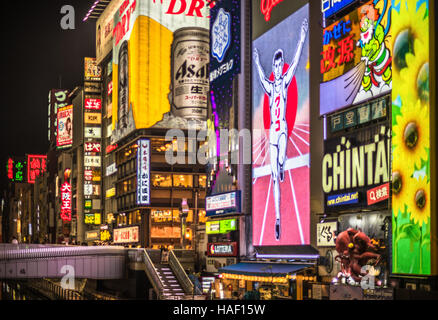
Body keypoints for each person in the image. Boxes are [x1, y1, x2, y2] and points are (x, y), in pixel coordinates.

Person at [253, 18, 308, 241]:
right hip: (272, 135)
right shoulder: (269, 85)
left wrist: (302, 38)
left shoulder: (284, 82)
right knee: (275, 176)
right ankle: (277, 218)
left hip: (282, 129)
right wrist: (257, 61)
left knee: (281, 164)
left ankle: (283, 165)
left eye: (278, 65)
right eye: (274, 66)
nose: (276, 68)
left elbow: (295, 62)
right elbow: (259, 75)